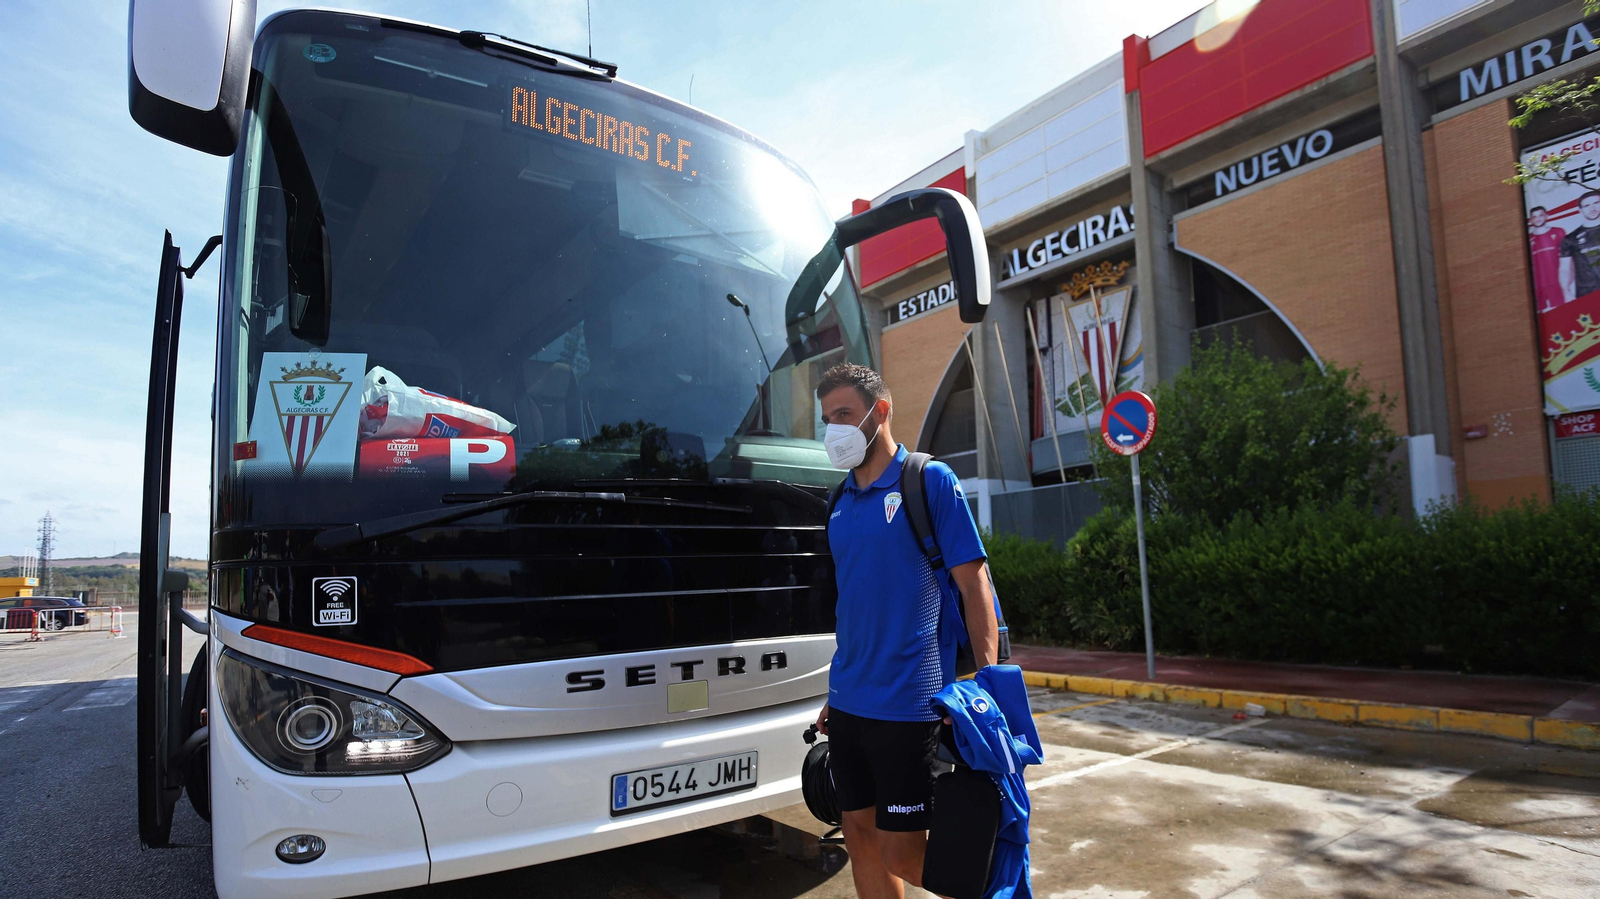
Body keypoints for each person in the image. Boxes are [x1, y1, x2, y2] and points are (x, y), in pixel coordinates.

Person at [811, 362, 999, 899]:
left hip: (910, 704)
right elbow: (855, 606)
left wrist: (986, 687)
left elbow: (974, 585)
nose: (834, 429)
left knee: (903, 852)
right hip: (850, 702)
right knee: (858, 834)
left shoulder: (928, 481)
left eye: (844, 414)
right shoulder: (839, 501)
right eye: (827, 419)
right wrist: (834, 693)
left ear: (881, 411)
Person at [1559, 191, 1600, 302]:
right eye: (1586, 206)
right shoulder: (1570, 239)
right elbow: (1565, 269)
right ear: (1580, 210)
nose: (1592, 208)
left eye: (1596, 203)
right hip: (1587, 294)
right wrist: (1566, 291)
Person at [1528, 206, 1566, 312]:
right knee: (1543, 316)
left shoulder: (1558, 232)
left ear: (1546, 216)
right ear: (1531, 220)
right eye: (1534, 217)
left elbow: (1567, 258)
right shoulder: (1528, 239)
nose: (1538, 219)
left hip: (1557, 282)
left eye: (1541, 215)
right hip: (1538, 286)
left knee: (1562, 312)